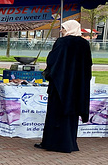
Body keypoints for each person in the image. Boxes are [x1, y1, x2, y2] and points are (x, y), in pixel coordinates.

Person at [35, 19, 92, 153]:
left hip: (60, 86)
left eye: (64, 28)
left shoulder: (62, 42)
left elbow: (53, 61)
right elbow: (88, 65)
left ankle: (53, 143)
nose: (61, 30)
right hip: (76, 87)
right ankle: (70, 142)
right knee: (71, 115)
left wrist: (49, 74)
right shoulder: (84, 44)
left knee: (56, 114)